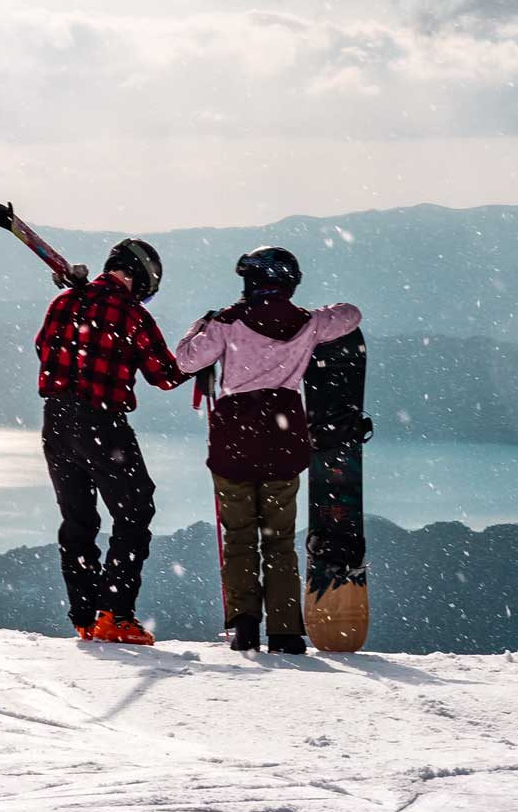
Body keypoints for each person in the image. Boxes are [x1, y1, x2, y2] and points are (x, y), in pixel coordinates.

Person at [170, 246, 361, 655]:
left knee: (239, 537)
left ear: (249, 282)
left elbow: (185, 361)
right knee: (279, 540)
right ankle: (286, 632)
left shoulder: (226, 323)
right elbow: (351, 315)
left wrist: (198, 325)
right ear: (289, 282)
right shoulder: (308, 323)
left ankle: (244, 625)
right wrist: (315, 312)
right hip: (284, 432)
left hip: (234, 435)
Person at [31, 237, 187, 645]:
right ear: (142, 278)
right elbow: (166, 375)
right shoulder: (131, 314)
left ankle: (85, 616)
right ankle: (114, 614)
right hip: (101, 421)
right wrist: (199, 349)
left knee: (78, 520)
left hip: (55, 420)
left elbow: (42, 348)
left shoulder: (63, 302)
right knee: (135, 509)